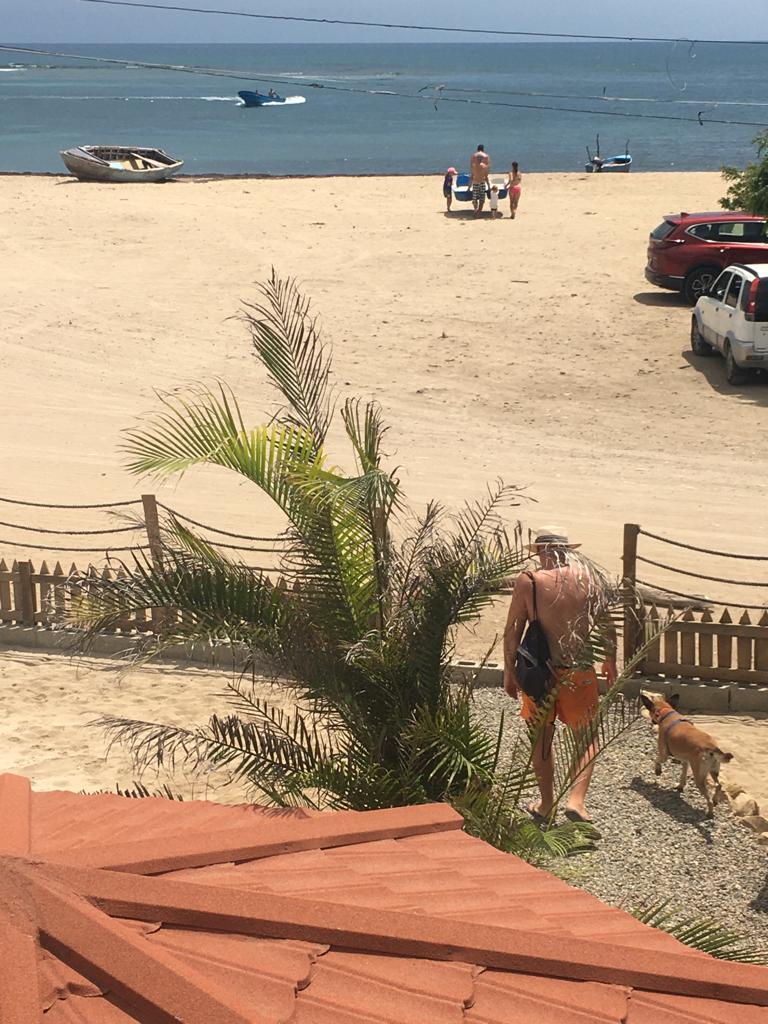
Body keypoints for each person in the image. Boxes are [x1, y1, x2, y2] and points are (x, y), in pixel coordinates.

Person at [503, 527, 617, 828]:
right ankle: (576, 801)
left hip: (540, 674)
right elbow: (606, 624)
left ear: (540, 551)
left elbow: (513, 630)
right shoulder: (588, 579)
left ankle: (546, 804)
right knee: (587, 738)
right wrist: (610, 660)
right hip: (579, 670)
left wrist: (509, 673)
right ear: (567, 551)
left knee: (541, 737)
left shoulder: (530, 581)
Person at [470, 144, 490, 215]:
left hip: (475, 181)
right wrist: (488, 184)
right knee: (482, 198)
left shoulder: (473, 156)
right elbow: (487, 170)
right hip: (482, 180)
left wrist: (469, 184)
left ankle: (475, 209)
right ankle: (479, 211)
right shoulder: (486, 156)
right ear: (483, 149)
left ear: (477, 149)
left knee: (475, 198)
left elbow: (472, 170)